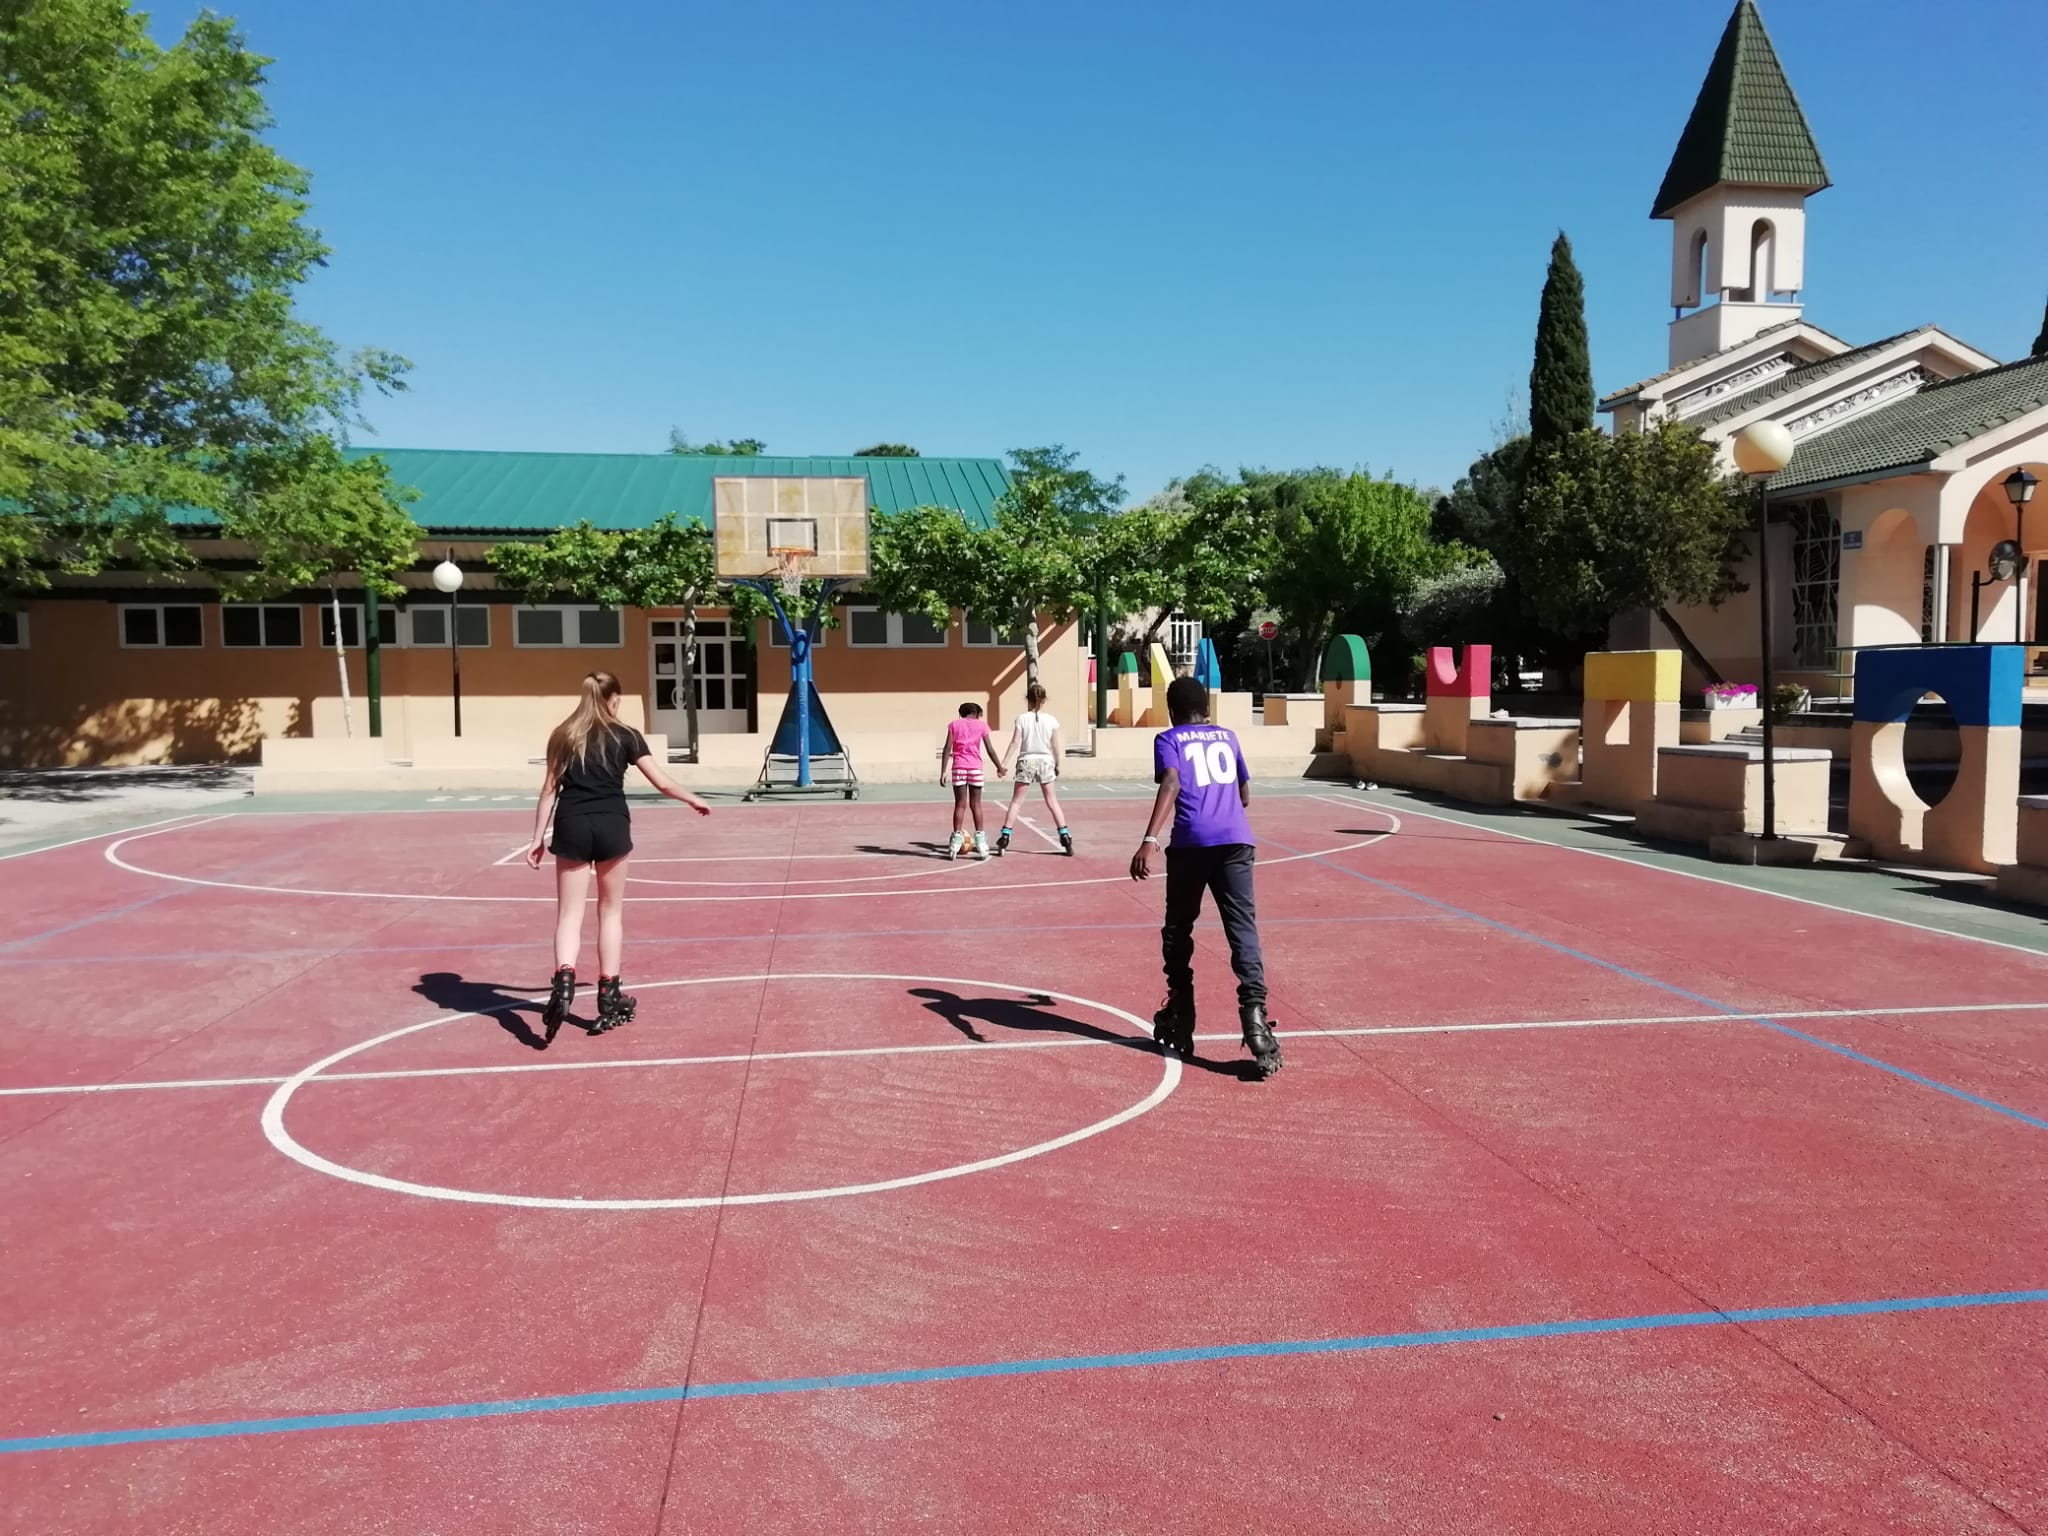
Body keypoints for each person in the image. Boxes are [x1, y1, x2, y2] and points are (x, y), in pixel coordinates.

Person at [526, 671, 710, 1038]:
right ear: (613, 699)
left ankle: (564, 980)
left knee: (569, 914)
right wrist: (691, 798)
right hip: (611, 825)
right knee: (610, 911)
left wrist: (536, 837)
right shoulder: (625, 735)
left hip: (572, 824)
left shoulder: (563, 735)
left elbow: (549, 789)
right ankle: (609, 996)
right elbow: (661, 781)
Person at [1129, 676, 1281, 1078]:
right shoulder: (1227, 737)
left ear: (1171, 710)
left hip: (1192, 844)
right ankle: (1255, 1018)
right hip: (1236, 842)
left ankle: (1181, 1004)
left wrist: (1149, 838)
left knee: (1178, 929)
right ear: (1207, 709)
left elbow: (1173, 781)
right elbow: (1245, 794)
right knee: (1242, 930)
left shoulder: (1169, 739)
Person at [994, 682, 1073, 856]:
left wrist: (1003, 764)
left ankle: (1005, 837)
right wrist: (1057, 764)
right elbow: (1055, 745)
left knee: (1016, 801)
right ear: (1044, 700)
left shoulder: (1022, 718)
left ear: (1027, 700)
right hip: (1045, 761)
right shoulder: (1051, 720)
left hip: (1027, 760)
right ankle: (1065, 837)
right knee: (1052, 802)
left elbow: (1016, 742)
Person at [938, 701, 1004, 860]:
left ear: (961, 713)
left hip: (958, 768)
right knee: (976, 804)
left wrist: (942, 771)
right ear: (976, 713)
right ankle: (981, 841)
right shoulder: (981, 726)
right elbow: (990, 749)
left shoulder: (954, 725)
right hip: (975, 768)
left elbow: (947, 748)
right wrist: (999, 766)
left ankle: (955, 840)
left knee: (960, 804)